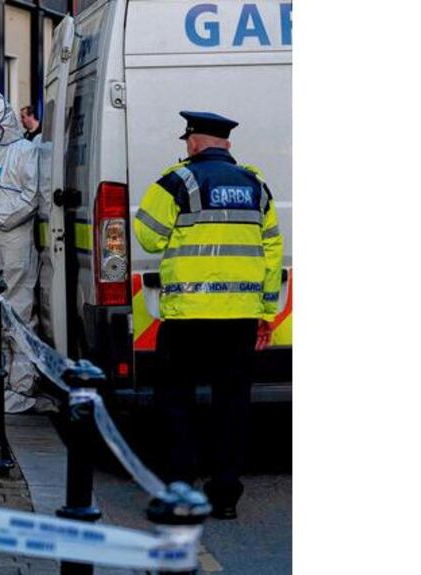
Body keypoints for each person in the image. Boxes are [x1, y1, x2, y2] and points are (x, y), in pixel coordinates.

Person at [133, 111, 283, 519]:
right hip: (239, 319)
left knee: (176, 404)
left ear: (194, 142)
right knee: (231, 408)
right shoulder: (257, 185)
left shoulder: (178, 181)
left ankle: (181, 490)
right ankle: (226, 496)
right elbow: (271, 252)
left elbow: (147, 234)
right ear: (227, 144)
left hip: (188, 318)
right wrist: (266, 312)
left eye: (187, 141)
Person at [0, 91, 50, 413]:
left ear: (4, 123)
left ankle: (23, 384)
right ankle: (4, 379)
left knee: (18, 312)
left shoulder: (24, 151)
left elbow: (30, 198)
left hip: (14, 243)